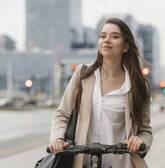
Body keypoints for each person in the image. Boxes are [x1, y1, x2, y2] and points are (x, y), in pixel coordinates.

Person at [49, 18, 153, 168]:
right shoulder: (83, 74)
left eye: (115, 36)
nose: (107, 40)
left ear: (125, 46)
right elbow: (62, 114)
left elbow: (145, 130)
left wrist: (141, 141)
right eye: (103, 36)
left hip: (122, 164)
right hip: (82, 163)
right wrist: (56, 139)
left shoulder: (137, 85)